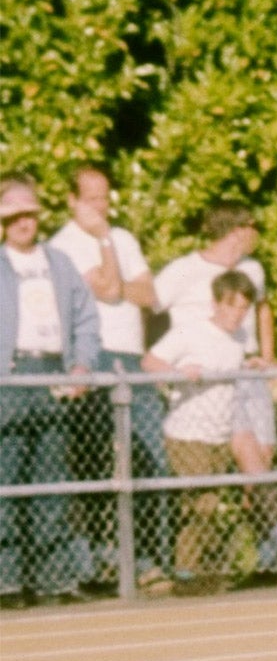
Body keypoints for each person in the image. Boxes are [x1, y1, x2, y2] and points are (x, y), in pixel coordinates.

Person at [155, 204, 277, 586]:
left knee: (259, 469)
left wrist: (268, 357)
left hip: (247, 375)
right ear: (237, 231)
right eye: (253, 227)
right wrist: (170, 368)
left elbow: (263, 308)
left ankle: (262, 553)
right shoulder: (182, 271)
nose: (257, 235)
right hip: (209, 388)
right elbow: (150, 309)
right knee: (246, 459)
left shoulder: (252, 269)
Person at [48, 163, 172, 587]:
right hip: (93, 355)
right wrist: (103, 247)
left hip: (130, 356)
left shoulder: (125, 239)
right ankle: (97, 560)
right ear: (72, 201)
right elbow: (110, 290)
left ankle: (151, 555)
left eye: (106, 197)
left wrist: (112, 269)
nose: (102, 206)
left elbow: (146, 293)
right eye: (92, 198)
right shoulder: (61, 247)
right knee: (93, 458)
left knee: (149, 456)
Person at [0, 175, 98, 605]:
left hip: (52, 371)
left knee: (52, 479)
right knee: (7, 479)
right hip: (10, 374)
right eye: (14, 215)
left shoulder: (59, 263)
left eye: (30, 214)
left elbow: (85, 318)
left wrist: (80, 366)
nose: (24, 223)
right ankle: (8, 579)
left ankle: (54, 577)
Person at [143, 271, 262, 588]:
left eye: (243, 309)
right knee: (201, 502)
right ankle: (187, 572)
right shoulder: (190, 331)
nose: (237, 315)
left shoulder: (239, 338)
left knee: (210, 503)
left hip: (219, 432)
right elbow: (150, 361)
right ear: (215, 303)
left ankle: (200, 567)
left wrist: (253, 365)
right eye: (231, 306)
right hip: (187, 432)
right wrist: (179, 373)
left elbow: (235, 363)